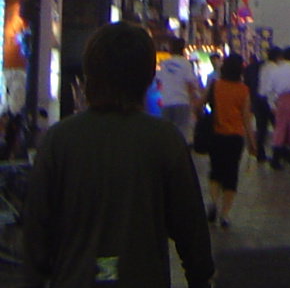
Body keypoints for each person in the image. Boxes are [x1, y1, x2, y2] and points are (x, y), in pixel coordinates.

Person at [22, 22, 213, 288]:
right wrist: (199, 278)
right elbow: (190, 227)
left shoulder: (59, 139)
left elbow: (37, 229)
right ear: (147, 75)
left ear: (91, 71)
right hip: (143, 277)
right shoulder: (164, 139)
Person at [204, 50, 255, 228]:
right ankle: (225, 214)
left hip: (216, 134)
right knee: (231, 175)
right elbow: (246, 119)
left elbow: (200, 103)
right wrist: (252, 143)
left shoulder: (215, 85)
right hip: (235, 137)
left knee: (215, 171)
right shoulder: (243, 90)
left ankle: (213, 202)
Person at [157, 35, 201, 142]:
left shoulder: (163, 63)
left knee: (167, 135)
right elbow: (191, 84)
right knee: (182, 134)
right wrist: (194, 100)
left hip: (166, 103)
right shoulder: (185, 64)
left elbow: (158, 81)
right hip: (182, 102)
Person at [255, 44, 283, 162]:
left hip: (260, 100)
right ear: (277, 57)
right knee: (278, 129)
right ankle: (277, 155)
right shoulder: (275, 69)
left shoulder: (264, 67)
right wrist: (273, 105)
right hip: (269, 101)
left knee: (261, 129)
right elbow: (271, 89)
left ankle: (260, 154)